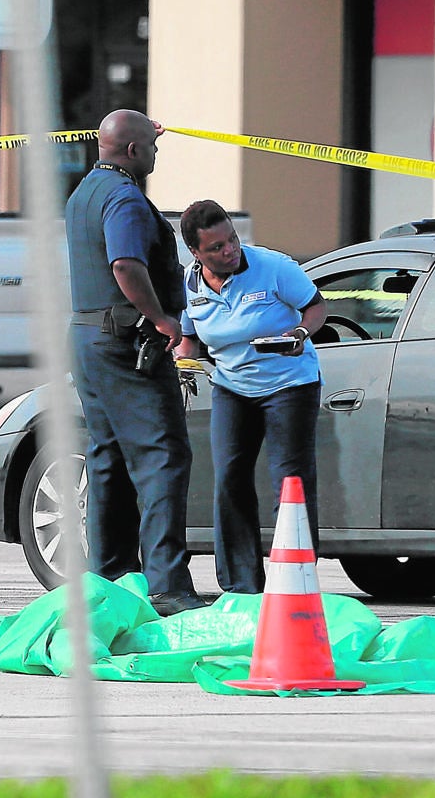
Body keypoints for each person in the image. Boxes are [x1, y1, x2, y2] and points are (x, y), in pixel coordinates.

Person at [65, 109, 204, 617]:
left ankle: (109, 578)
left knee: (109, 457)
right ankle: (168, 586)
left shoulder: (85, 192)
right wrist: (164, 319)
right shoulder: (124, 198)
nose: (157, 155)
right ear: (133, 152)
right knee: (162, 455)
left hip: (87, 337)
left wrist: (147, 128)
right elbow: (125, 264)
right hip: (125, 341)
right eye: (152, 148)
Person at [175, 199, 327, 594]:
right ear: (196, 253)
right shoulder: (189, 285)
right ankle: (242, 584)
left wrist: (300, 334)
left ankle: (295, 578)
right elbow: (189, 337)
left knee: (290, 480)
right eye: (216, 248)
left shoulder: (273, 267)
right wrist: (182, 364)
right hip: (232, 387)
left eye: (232, 240)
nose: (229, 251)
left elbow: (315, 308)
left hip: (289, 384)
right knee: (229, 478)